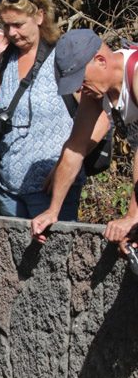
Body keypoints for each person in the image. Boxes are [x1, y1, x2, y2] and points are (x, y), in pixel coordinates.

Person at [31, 28, 137, 249]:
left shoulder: (135, 75)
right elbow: (75, 148)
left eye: (81, 79)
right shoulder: (98, 90)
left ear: (100, 61)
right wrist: (53, 211)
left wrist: (132, 216)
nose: (79, 89)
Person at [0, 0, 85, 220]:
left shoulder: (63, 58)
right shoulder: (4, 62)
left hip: (52, 190)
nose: (11, 33)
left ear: (40, 16)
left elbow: (100, 119)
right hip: (8, 189)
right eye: (6, 25)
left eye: (18, 25)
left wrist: (66, 163)